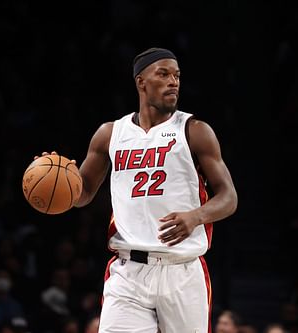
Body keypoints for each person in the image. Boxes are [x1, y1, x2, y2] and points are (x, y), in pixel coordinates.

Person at [37, 47, 238, 332]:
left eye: (177, 76)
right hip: (128, 270)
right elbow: (81, 196)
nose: (174, 82)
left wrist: (196, 216)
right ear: (141, 82)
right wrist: (55, 177)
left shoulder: (194, 130)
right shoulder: (111, 133)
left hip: (182, 269)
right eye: (164, 74)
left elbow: (229, 197)